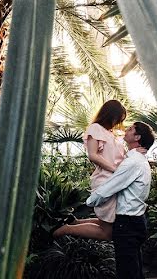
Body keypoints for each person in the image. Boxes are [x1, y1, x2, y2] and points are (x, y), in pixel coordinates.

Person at [86, 121, 155, 279]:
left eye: (130, 129)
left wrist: (89, 201)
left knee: (127, 272)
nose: (126, 129)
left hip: (127, 224)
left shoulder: (132, 162)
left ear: (137, 137)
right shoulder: (139, 160)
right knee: (134, 269)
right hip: (135, 221)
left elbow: (109, 187)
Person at [53, 100, 127, 240]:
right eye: (118, 118)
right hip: (105, 180)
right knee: (108, 232)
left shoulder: (110, 133)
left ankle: (74, 223)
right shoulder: (95, 129)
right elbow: (92, 155)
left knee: (107, 221)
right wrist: (115, 170)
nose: (118, 122)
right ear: (110, 114)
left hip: (114, 181)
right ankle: (67, 229)